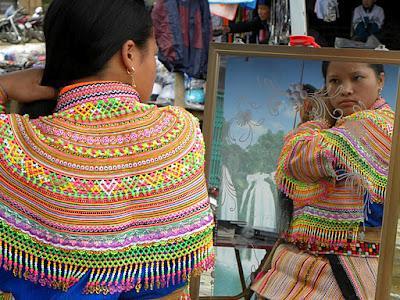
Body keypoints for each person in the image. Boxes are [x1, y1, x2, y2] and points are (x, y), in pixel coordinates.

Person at [0, 0, 214, 299]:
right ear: (129, 54)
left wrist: (4, 86)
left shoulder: (20, 146)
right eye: (152, 55)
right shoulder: (181, 134)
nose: (154, 67)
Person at [251, 61, 393, 299]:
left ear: (380, 81)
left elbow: (297, 160)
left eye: (357, 78)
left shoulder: (379, 125)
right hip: (304, 264)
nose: (346, 89)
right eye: (335, 81)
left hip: (344, 269)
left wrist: (315, 121)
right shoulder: (335, 128)